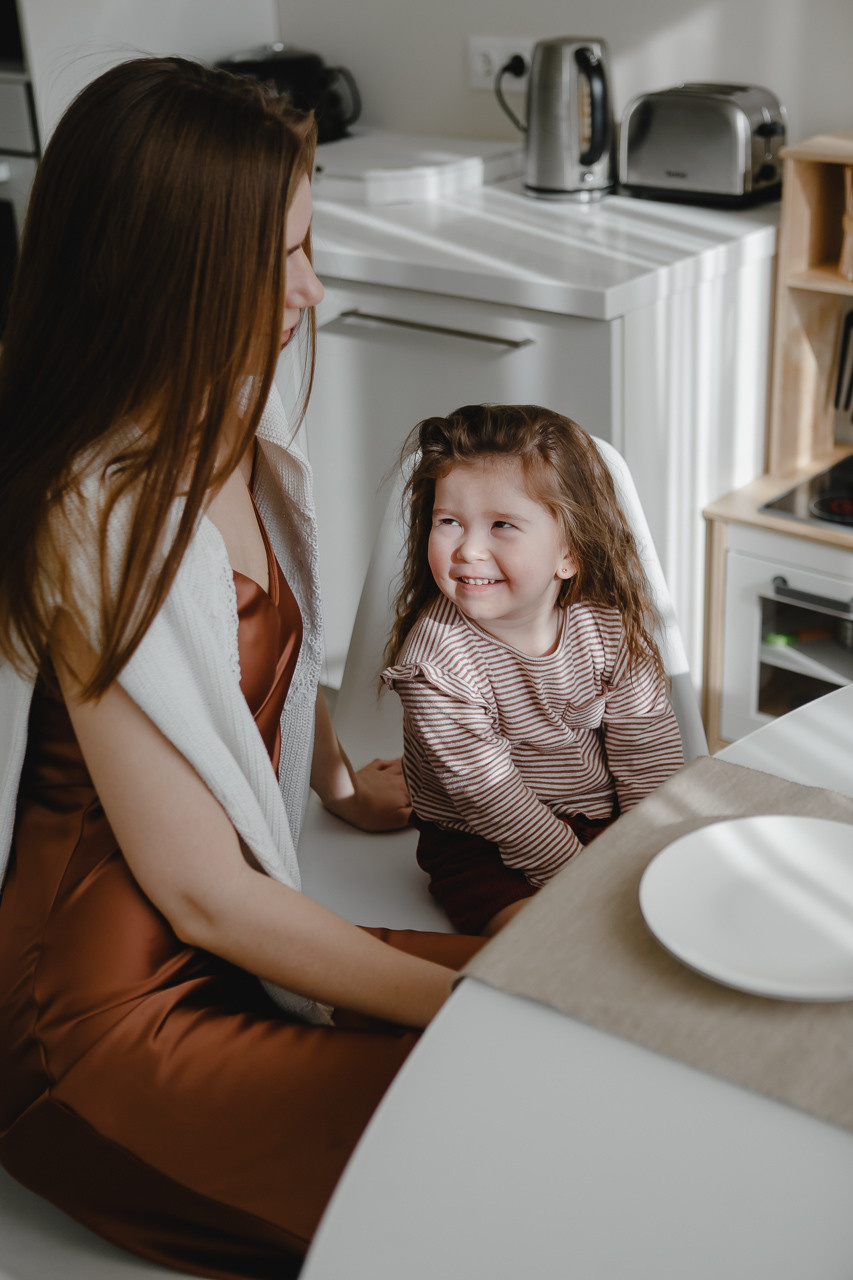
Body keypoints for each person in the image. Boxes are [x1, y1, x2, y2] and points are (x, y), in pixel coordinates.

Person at [0, 58, 484, 1280]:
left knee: (585, 1018)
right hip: (100, 1021)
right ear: (166, 271)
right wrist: (464, 1010)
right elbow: (202, 894)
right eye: (277, 259)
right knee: (491, 1161)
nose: (309, 289)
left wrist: (333, 779)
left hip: (233, 941)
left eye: (306, 245)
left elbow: (251, 662)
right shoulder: (94, 516)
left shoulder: (231, 414)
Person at [381, 404, 685, 936]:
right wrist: (585, 881)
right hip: (481, 839)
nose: (469, 549)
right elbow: (491, 799)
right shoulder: (435, 667)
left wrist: (645, 852)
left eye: (502, 525)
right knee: (552, 942)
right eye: (449, 522)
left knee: (680, 903)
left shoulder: (609, 627)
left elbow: (646, 755)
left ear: (569, 553)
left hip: (603, 816)